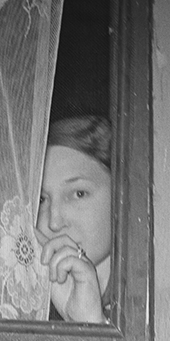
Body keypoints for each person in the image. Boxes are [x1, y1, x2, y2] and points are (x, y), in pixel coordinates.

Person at [36, 115, 112, 323]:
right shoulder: (22, 294)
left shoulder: (154, 293)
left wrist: (91, 322)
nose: (54, 222)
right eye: (41, 199)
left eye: (78, 193)